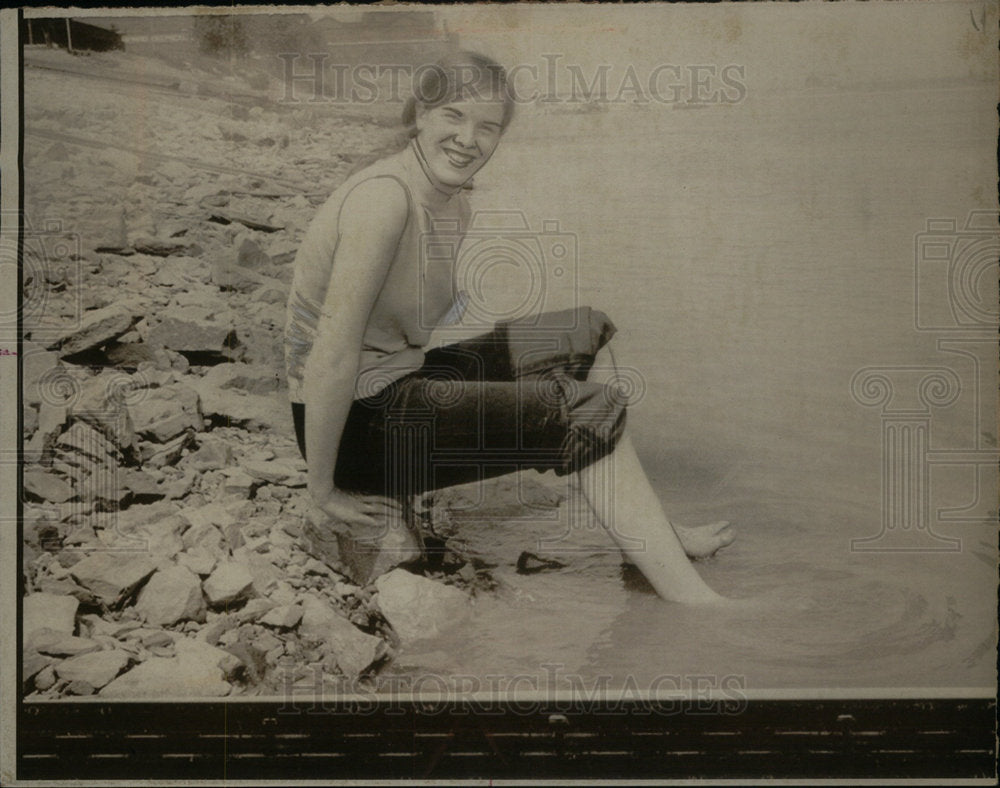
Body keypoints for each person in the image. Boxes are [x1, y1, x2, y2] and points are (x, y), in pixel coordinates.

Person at [284, 51, 733, 604]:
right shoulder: (383, 201)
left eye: (487, 126)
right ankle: (696, 603)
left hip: (393, 387)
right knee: (584, 408)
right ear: (419, 114)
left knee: (581, 330)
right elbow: (330, 351)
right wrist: (323, 488)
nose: (468, 139)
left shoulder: (452, 204)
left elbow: (406, 335)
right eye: (453, 115)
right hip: (354, 428)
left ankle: (650, 534)